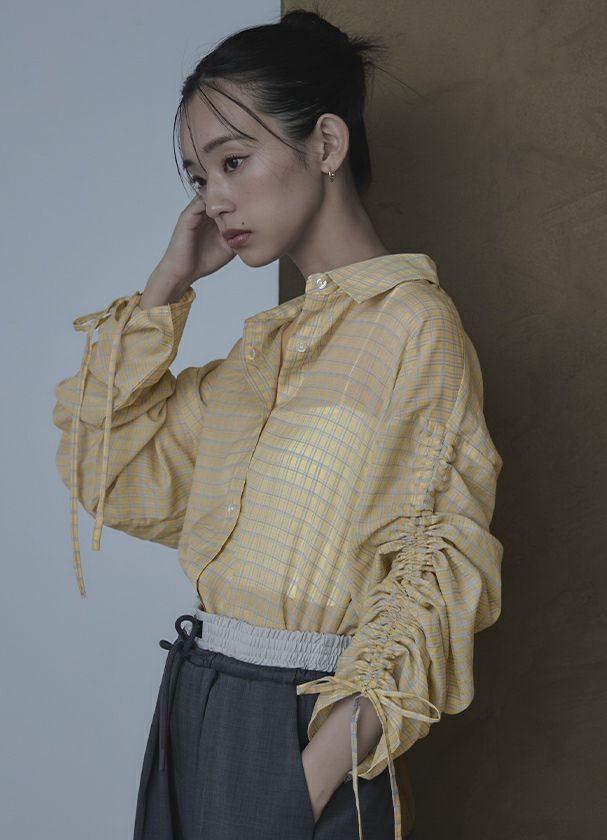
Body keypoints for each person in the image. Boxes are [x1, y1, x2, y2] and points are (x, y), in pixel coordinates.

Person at [52, 8, 504, 840]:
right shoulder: (263, 351)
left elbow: (432, 578)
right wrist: (167, 286)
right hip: (194, 706)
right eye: (198, 177)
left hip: (303, 731)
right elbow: (107, 467)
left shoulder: (414, 326)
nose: (215, 199)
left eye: (233, 161)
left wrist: (306, 779)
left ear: (326, 145)